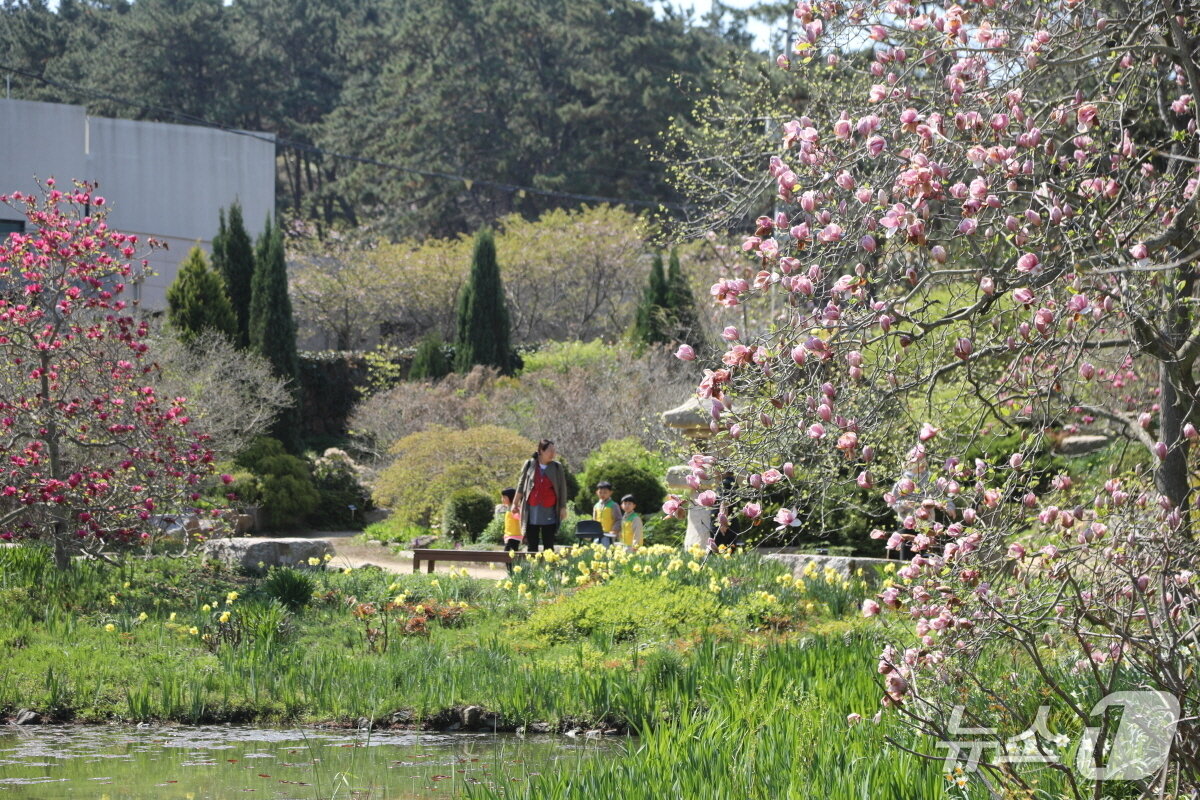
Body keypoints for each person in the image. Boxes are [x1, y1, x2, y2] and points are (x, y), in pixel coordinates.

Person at [514, 439, 569, 554]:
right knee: (532, 545)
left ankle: (548, 569)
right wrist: (515, 503)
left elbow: (562, 488)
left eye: (554, 451)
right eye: (550, 450)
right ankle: (532, 570)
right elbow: (521, 484)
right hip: (532, 509)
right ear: (540, 451)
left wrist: (563, 507)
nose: (552, 453)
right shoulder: (530, 464)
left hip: (549, 509)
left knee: (548, 545)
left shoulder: (557, 467)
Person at [497, 488, 522, 573]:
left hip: (514, 537)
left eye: (504, 497)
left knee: (508, 556)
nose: (502, 499)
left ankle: (513, 573)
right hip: (509, 536)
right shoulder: (509, 508)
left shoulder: (515, 509)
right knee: (509, 556)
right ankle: (513, 573)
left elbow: (519, 518)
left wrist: (518, 512)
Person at [592, 480, 622, 546]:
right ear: (597, 492)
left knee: (606, 551)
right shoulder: (596, 506)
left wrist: (614, 530)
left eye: (605, 492)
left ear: (610, 492)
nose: (602, 494)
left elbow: (619, 519)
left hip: (609, 534)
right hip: (597, 534)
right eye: (600, 492)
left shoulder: (613, 505)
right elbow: (594, 520)